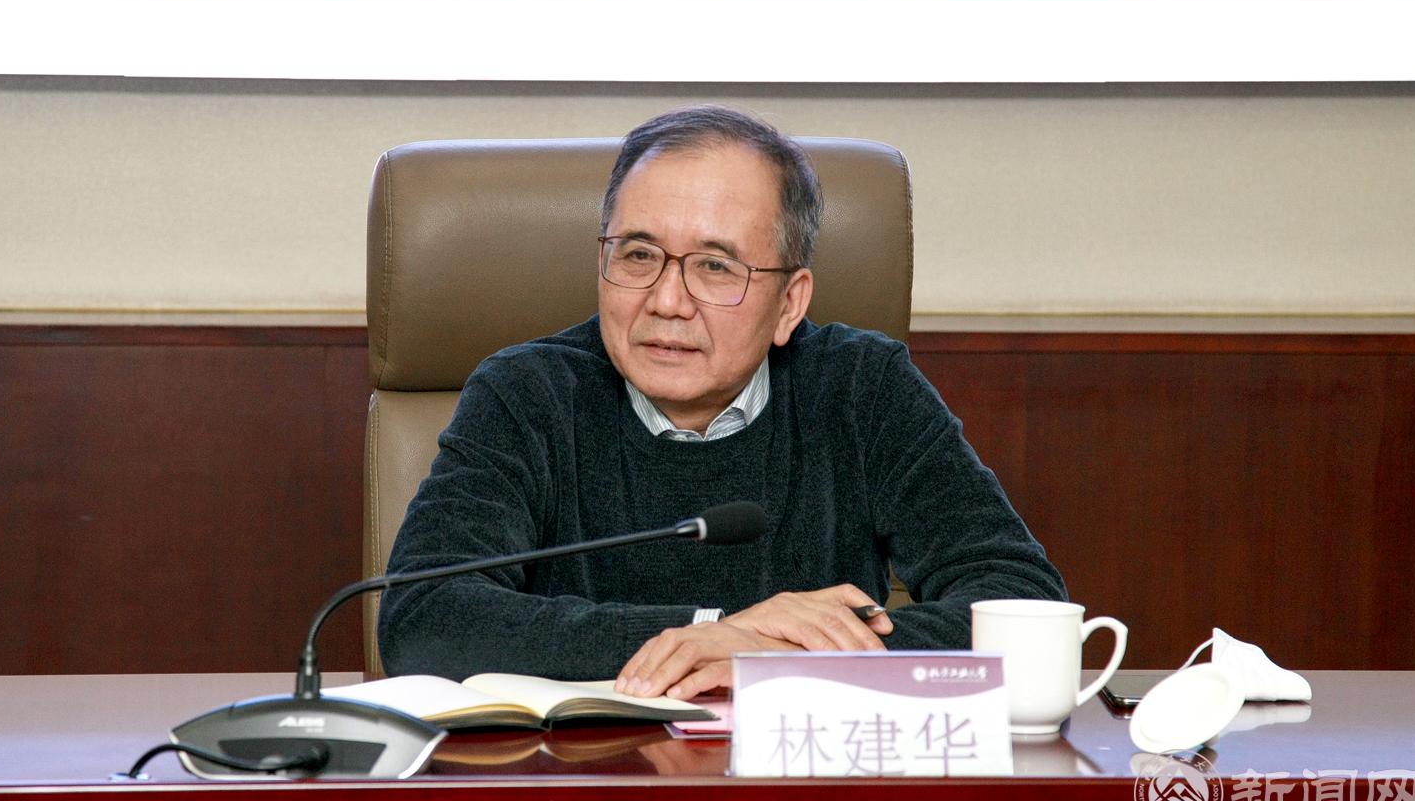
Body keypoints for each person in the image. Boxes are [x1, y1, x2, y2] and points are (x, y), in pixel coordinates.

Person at [379, 105, 1065, 700]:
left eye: (715, 266)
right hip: (585, 784)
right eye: (638, 254)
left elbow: (1022, 603)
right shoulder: (529, 393)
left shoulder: (862, 387)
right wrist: (714, 632)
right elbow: (424, 618)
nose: (666, 301)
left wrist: (778, 655)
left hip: (801, 786)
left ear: (789, 303)